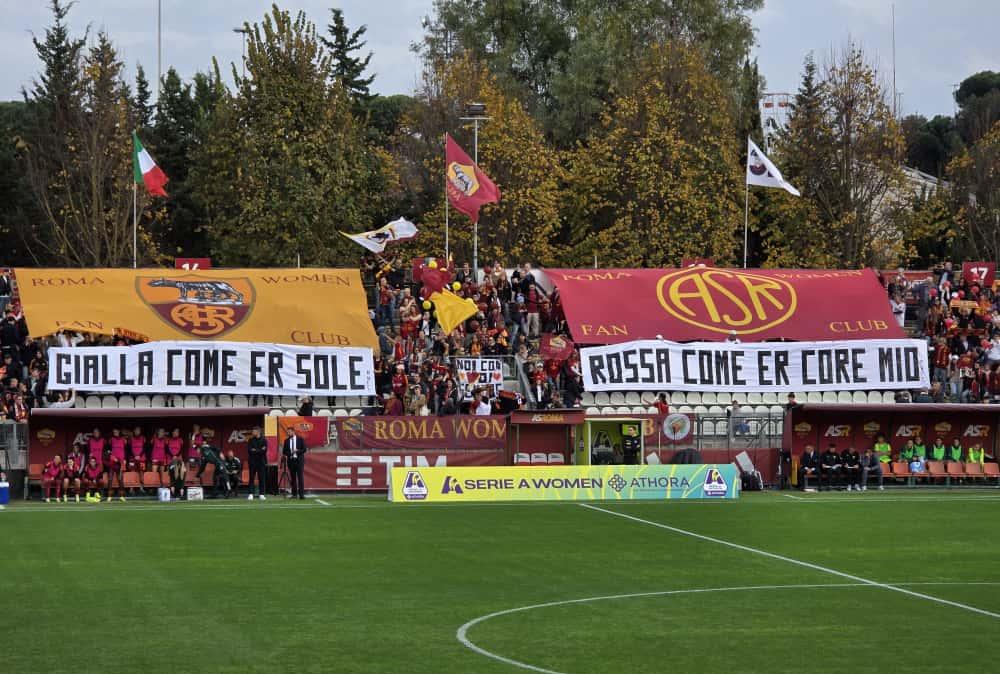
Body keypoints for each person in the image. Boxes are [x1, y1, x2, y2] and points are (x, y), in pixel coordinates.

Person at [282, 428, 307, 499]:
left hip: (299, 461)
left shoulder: (300, 439)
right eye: (287, 432)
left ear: (293, 432)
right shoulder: (286, 441)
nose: (288, 433)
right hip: (291, 461)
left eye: (289, 432)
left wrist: (297, 451)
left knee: (300, 477)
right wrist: (290, 453)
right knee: (293, 478)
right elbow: (284, 452)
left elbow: (304, 449)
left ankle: (301, 494)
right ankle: (294, 494)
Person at [246, 427, 267, 501]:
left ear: (258, 432)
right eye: (252, 431)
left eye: (254, 431)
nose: (252, 432)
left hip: (261, 462)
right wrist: (260, 450)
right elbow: (250, 451)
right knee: (251, 478)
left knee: (262, 478)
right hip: (252, 462)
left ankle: (261, 494)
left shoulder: (264, 440)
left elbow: (264, 451)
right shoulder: (250, 440)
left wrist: (255, 450)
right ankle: (250, 494)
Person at [106, 428, 127, 502]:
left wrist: (124, 459)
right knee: (110, 479)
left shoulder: (123, 439)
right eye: (114, 431)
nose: (115, 432)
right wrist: (112, 456)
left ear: (119, 431)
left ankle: (121, 496)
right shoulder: (111, 439)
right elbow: (108, 450)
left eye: (116, 431)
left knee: (120, 479)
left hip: (120, 463)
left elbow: (127, 450)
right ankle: (109, 496)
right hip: (113, 462)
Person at [128, 426, 147, 492]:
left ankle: (141, 488)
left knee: (141, 473)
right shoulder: (131, 438)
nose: (137, 431)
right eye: (136, 430)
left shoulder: (143, 438)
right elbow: (129, 448)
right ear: (134, 431)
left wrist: (139, 455)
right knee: (132, 473)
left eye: (138, 430)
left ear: (140, 431)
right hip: (132, 459)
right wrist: (134, 456)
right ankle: (131, 488)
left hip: (141, 458)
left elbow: (144, 448)